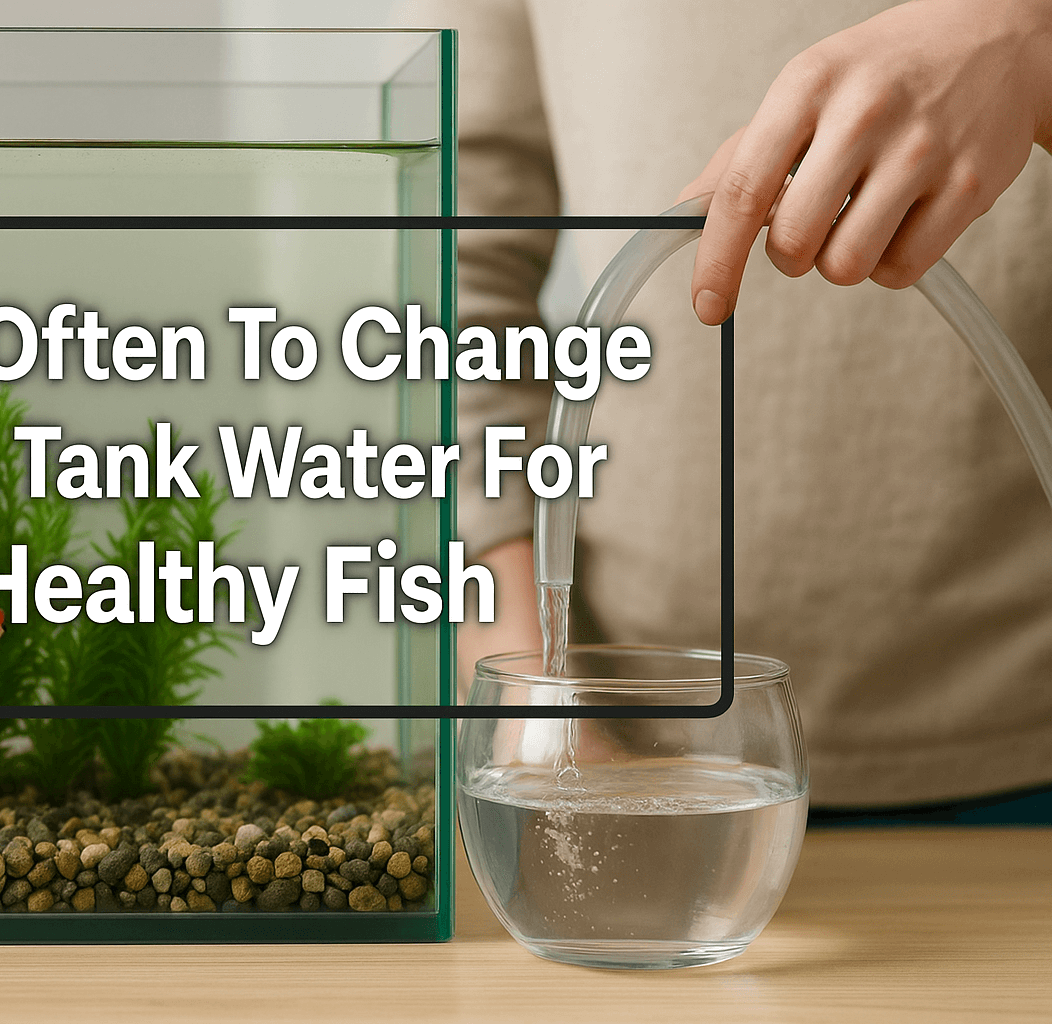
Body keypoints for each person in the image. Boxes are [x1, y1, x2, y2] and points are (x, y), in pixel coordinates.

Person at [431, 0, 1052, 815]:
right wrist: (523, 681)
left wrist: (1026, 38)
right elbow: (452, 257)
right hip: (630, 753)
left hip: (1023, 732)